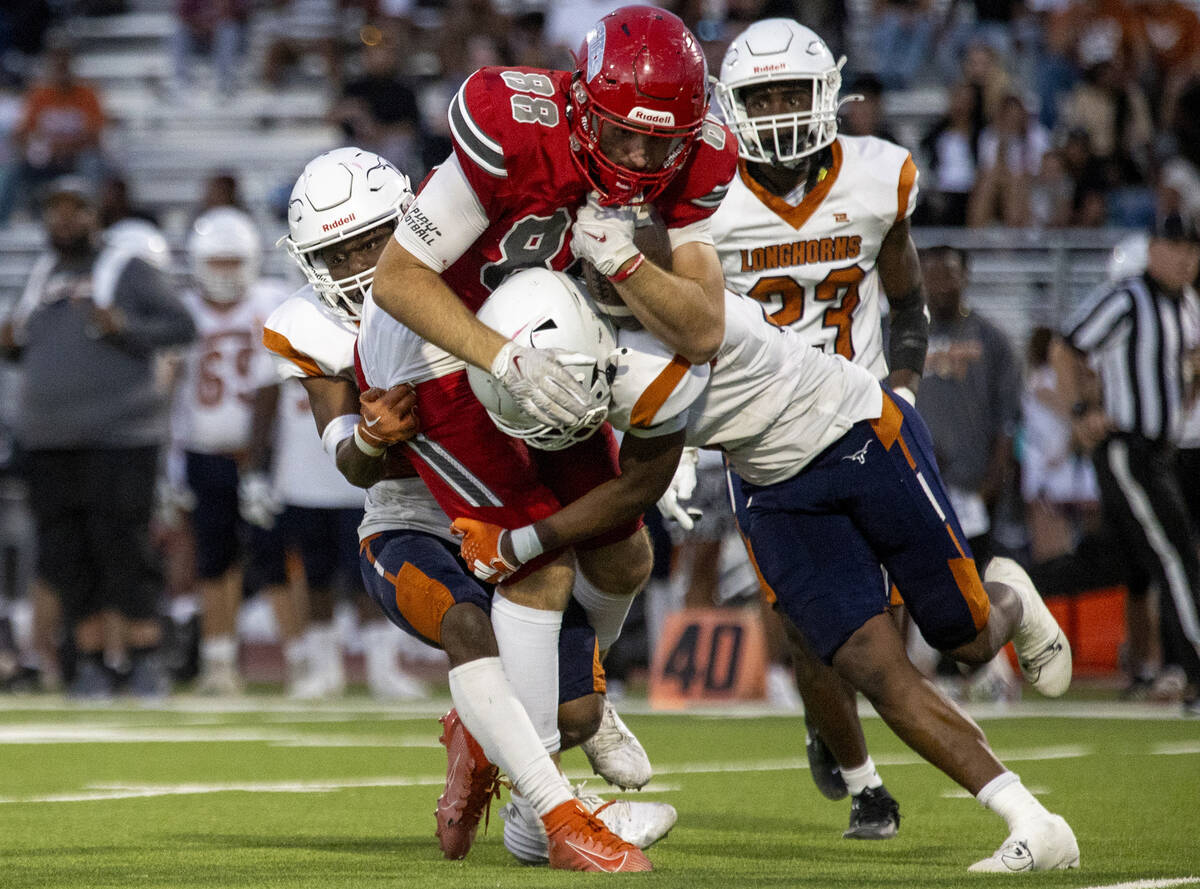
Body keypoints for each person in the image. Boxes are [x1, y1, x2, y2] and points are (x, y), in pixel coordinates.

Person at [452, 266, 1081, 873]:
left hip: (855, 432)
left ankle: (1013, 601)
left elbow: (635, 486)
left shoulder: (653, 345)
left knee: (963, 637)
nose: (552, 412)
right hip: (770, 485)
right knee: (868, 662)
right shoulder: (579, 326)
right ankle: (1032, 821)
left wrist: (519, 544)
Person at [367, 3, 735, 861]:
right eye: (624, 135)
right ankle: (543, 816)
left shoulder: (697, 158)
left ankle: (561, 706)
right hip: (436, 347)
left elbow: (704, 326)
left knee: (624, 556)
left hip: (546, 341)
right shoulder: (515, 121)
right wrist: (498, 356)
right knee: (539, 563)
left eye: (662, 143)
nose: (642, 160)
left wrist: (627, 260)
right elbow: (396, 278)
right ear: (582, 102)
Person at [266, 147, 672, 869]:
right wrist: (367, 435)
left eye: (371, 240)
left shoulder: (471, 278)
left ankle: (483, 729)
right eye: (338, 252)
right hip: (409, 525)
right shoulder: (311, 326)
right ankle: (555, 816)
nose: (360, 262)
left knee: (571, 710)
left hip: (505, 500)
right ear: (309, 262)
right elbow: (350, 463)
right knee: (468, 625)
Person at [709, 18, 927, 839]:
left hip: (864, 420)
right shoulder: (708, 200)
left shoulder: (877, 178)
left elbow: (906, 300)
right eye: (757, 95)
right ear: (731, 104)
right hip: (764, 433)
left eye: (789, 92)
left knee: (886, 639)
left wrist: (904, 387)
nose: (773, 110)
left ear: (827, 93)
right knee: (809, 628)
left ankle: (834, 718)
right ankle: (868, 784)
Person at [0, 176, 196, 698]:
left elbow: (181, 326)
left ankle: (145, 656)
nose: (65, 220)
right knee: (68, 553)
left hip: (121, 435)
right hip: (48, 440)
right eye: (55, 211)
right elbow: (26, 345)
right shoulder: (40, 274)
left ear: (96, 217)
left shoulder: (125, 267)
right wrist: (11, 342)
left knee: (124, 546)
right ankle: (88, 660)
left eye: (76, 210)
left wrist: (126, 326)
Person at [1054, 212, 1200, 716]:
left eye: (1192, 250)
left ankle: (1161, 667)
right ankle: (1191, 667)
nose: (1185, 258)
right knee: (1176, 554)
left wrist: (1181, 405)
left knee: (1140, 563)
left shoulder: (1188, 305)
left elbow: (1190, 361)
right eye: (1176, 247)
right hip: (1127, 448)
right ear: (1154, 249)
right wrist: (1081, 412)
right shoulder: (1126, 297)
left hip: (1162, 450)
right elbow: (1066, 345)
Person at [171, 206, 291, 695]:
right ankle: (218, 662)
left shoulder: (271, 301)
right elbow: (171, 393)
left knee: (278, 560)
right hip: (203, 451)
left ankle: (302, 660)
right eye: (215, 262)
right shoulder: (181, 311)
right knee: (212, 561)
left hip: (263, 454)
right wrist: (171, 465)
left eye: (232, 262)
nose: (224, 273)